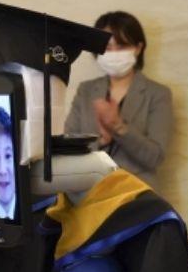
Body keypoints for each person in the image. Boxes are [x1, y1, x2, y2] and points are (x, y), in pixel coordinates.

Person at [64, 10, 173, 188]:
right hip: (88, 195)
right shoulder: (86, 91)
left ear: (138, 47)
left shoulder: (158, 94)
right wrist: (101, 141)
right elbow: (69, 148)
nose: (113, 53)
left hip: (137, 196)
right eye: (106, 48)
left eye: (121, 47)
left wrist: (119, 127)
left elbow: (155, 157)